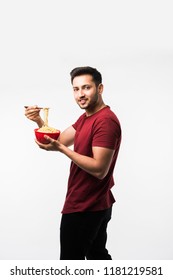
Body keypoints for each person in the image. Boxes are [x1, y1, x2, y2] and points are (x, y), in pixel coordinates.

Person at [25, 66, 121, 260]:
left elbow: (99, 169)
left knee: (70, 263)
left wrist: (61, 150)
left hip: (85, 205)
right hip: (97, 202)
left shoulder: (105, 121)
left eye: (86, 88)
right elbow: (59, 139)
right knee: (98, 257)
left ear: (100, 88)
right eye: (76, 89)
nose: (80, 94)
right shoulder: (87, 117)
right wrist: (38, 121)